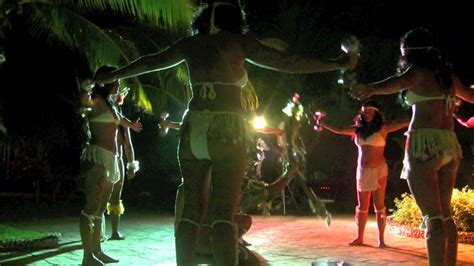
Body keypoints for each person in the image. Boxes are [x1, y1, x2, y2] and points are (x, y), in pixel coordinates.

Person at [94, 1, 357, 264]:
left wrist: (114, 75)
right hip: (226, 129)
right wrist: (337, 63)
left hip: (193, 125)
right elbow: (286, 62)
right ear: (233, 20)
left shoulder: (190, 44)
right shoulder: (237, 42)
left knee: (192, 210)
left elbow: (152, 62)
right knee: (222, 213)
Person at [349, 28, 474, 265]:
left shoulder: (417, 73)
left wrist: (370, 88)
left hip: (424, 144)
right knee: (445, 216)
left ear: (408, 51)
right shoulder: (446, 76)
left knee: (433, 218)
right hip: (449, 143)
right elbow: (469, 95)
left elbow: (394, 83)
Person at [320, 100, 409, 247]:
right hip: (362, 171)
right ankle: (360, 237)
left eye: (370, 111)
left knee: (379, 205)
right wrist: (323, 123)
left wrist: (421, 117)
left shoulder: (383, 128)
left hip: (380, 170)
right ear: (362, 113)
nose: (367, 114)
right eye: (365, 111)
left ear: (376, 113)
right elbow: (340, 129)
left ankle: (381, 240)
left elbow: (404, 123)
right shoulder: (357, 129)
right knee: (362, 206)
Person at [80, 65, 142, 266]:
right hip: (98, 156)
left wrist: (131, 125)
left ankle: (97, 250)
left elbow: (119, 120)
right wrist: (87, 87)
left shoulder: (111, 105)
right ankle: (87, 256)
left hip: (112, 159)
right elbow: (83, 102)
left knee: (99, 209)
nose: (119, 83)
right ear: (108, 82)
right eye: (117, 80)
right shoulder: (96, 100)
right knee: (91, 207)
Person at [106, 87, 140, 240]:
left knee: (115, 196)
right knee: (102, 195)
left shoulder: (122, 122)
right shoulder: (104, 116)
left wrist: (131, 164)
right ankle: (99, 232)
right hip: (106, 157)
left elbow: (128, 144)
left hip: (118, 159)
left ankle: (114, 231)